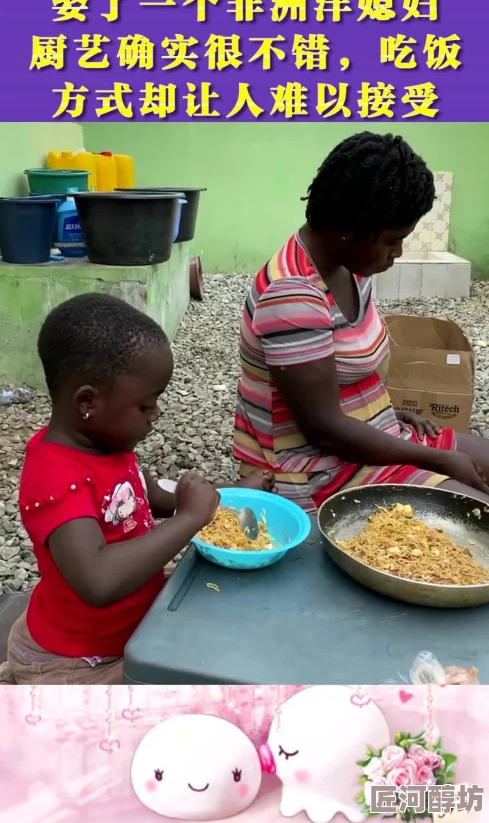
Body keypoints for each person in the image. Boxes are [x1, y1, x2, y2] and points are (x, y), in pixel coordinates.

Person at [0, 294, 273, 685]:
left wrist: (228, 492)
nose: (156, 416)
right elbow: (99, 580)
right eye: (145, 406)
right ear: (88, 402)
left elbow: (141, 498)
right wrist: (191, 518)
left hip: (124, 625)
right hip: (76, 661)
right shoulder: (56, 476)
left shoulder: (104, 442)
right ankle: (25, 682)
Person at [233, 131, 489, 514]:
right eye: (392, 240)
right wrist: (436, 459)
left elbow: (342, 370)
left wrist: (379, 411)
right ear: (350, 230)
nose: (397, 253)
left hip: (369, 437)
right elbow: (325, 429)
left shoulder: (349, 267)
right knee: (477, 516)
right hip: (318, 469)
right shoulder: (293, 295)